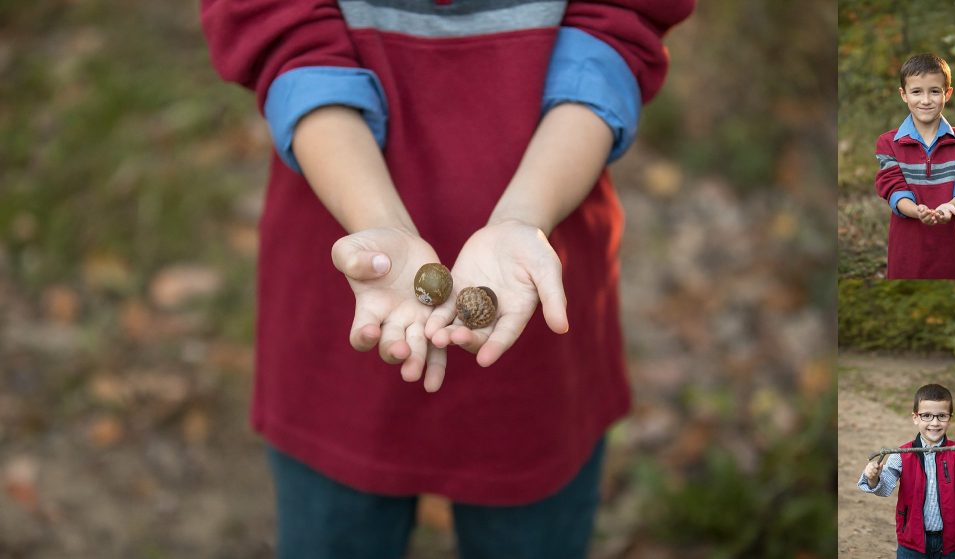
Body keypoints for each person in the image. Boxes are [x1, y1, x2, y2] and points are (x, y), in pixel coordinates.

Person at [200, 1, 696, 557]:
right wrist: (378, 221)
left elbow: (618, 28)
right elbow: (284, 36)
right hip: (341, 308)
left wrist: (524, 214)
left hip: (538, 327)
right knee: (334, 526)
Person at [874, 53, 955, 279]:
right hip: (908, 246)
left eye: (934, 91)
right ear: (903, 95)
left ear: (948, 93)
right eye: (917, 92)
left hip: (953, 244)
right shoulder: (888, 143)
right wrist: (917, 211)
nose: (926, 100)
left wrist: (950, 208)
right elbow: (894, 189)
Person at [858, 383, 955, 559]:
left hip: (949, 542)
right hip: (911, 542)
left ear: (950, 418)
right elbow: (884, 486)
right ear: (915, 417)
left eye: (941, 416)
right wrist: (873, 477)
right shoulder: (901, 455)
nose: (934, 422)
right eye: (926, 416)